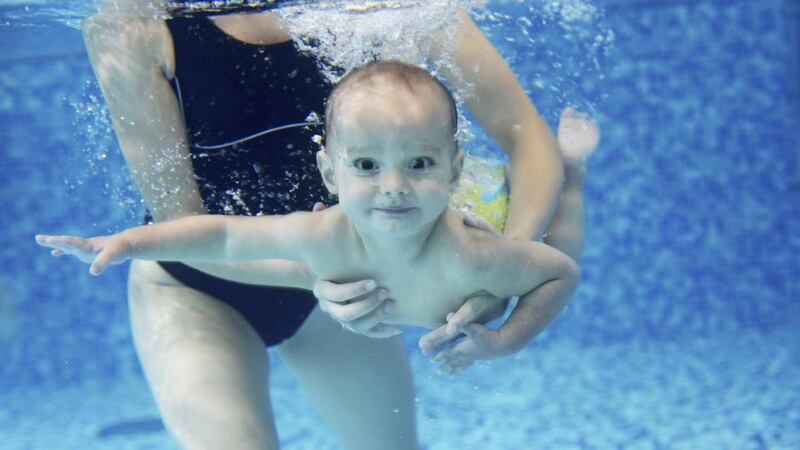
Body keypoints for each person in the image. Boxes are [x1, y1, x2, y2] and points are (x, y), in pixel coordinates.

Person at [76, 1, 583, 449]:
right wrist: (316, 276)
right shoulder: (133, 23)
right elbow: (187, 226)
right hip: (199, 288)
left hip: (346, 284)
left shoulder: (393, 6)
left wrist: (498, 270)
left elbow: (529, 142)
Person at [37, 59, 583, 378]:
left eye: (418, 163)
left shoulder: (477, 253)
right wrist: (130, 241)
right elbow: (225, 235)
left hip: (479, 207)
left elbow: (561, 273)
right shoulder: (325, 232)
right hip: (220, 296)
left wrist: (507, 337)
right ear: (329, 172)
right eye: (367, 165)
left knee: (562, 232)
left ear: (451, 165)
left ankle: (574, 169)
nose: (393, 186)